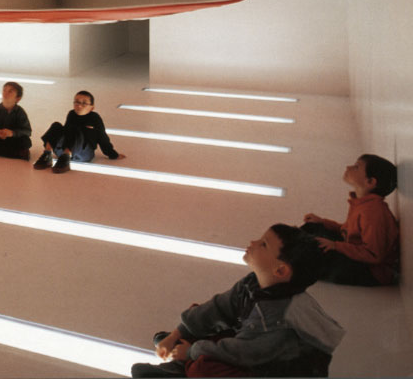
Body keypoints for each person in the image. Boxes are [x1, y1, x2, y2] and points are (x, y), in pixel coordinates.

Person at [132, 224, 344, 378]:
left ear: (280, 270)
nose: (252, 243)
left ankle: (181, 367)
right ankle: (182, 353)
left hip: (274, 368)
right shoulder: (255, 282)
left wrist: (192, 352)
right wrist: (176, 334)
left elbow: (238, 354)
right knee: (204, 316)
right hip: (252, 343)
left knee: (204, 370)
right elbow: (220, 307)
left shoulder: (278, 319)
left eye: (263, 244)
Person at [300, 154, 399, 285]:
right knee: (314, 227)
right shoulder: (362, 203)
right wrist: (323, 222)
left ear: (370, 182)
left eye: (356, 167)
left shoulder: (373, 210)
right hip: (356, 254)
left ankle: (291, 259)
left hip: (371, 271)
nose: (348, 167)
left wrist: (335, 246)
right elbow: (347, 231)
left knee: (321, 254)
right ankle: (289, 249)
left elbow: (374, 254)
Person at [32, 90, 125, 174]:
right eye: (77, 102)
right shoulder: (71, 114)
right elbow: (66, 133)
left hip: (84, 153)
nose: (79, 105)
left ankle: (66, 158)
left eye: (84, 103)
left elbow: (102, 137)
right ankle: (47, 155)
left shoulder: (95, 118)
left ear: (91, 107)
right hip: (64, 151)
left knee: (75, 128)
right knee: (56, 125)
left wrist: (113, 154)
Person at [0, 81, 32, 160]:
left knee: (26, 142)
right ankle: (14, 153)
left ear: (18, 98)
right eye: (4, 90)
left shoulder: (20, 112)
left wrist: (12, 133)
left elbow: (27, 131)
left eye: (10, 91)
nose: (5, 93)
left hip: (13, 139)